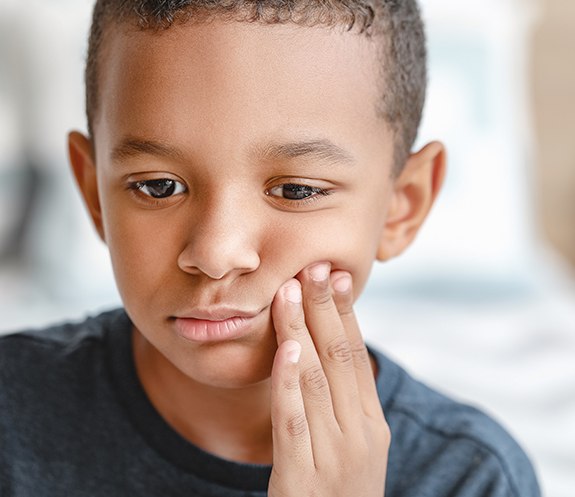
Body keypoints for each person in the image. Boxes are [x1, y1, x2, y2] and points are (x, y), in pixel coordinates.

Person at [0, 1, 541, 496]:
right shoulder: (12, 415)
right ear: (94, 192)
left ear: (403, 205)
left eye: (296, 191)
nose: (216, 253)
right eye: (158, 186)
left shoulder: (471, 477)